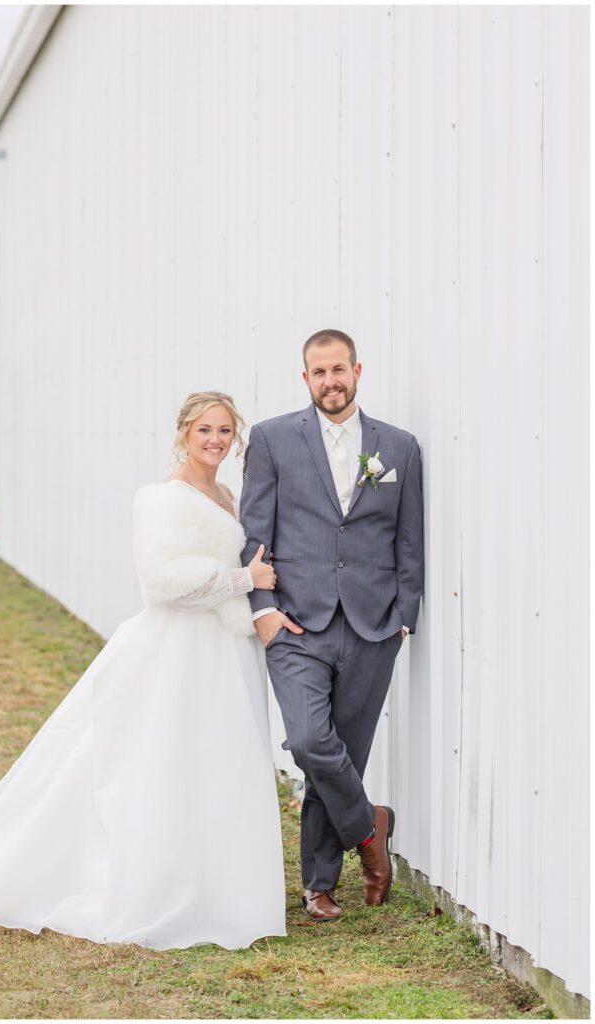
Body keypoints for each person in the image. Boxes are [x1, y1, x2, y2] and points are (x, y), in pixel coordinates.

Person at [0, 391, 287, 949]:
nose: (216, 441)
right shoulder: (161, 498)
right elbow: (162, 582)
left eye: (225, 431)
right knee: (158, 761)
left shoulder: (226, 493)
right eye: (205, 431)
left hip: (224, 650)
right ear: (183, 434)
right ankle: (140, 881)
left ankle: (215, 883)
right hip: (178, 650)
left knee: (215, 761)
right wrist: (246, 582)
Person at [240, 330, 424, 922]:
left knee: (344, 751)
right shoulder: (272, 439)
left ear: (357, 370)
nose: (330, 382)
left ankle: (318, 885)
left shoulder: (400, 447)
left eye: (338, 369)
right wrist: (264, 612)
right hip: (296, 621)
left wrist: (404, 616)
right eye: (318, 373)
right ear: (305, 379)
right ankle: (370, 829)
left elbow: (409, 540)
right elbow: (254, 532)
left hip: (374, 624)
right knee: (312, 742)